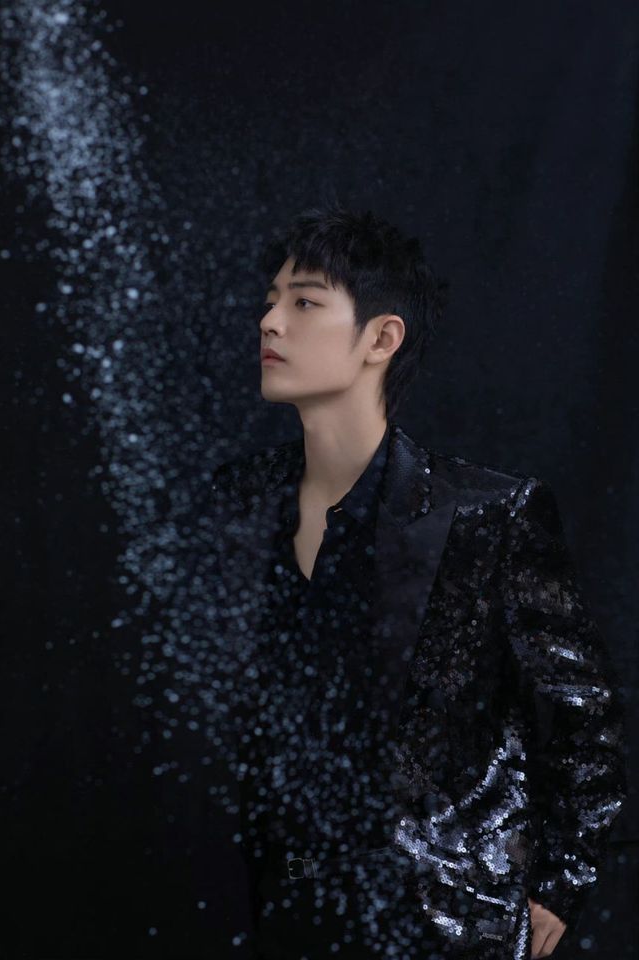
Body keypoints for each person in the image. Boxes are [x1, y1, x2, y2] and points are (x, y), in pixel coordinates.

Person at [210, 203, 627, 959]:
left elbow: (583, 715)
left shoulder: (490, 514)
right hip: (284, 901)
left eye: (304, 302)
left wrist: (558, 881)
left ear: (381, 338)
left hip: (446, 916)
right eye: (270, 301)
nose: (270, 322)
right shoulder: (240, 501)